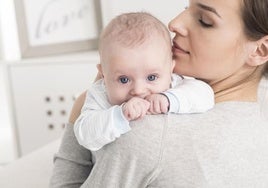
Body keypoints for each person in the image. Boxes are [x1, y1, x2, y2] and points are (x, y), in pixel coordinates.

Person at [50, 0, 268, 187]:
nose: (175, 23)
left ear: (260, 50)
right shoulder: (262, 99)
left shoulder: (146, 132)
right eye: (186, 6)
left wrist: (82, 107)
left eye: (205, 20)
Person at [74, 12, 214, 151]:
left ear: (171, 68)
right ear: (104, 75)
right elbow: (83, 134)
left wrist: (169, 99)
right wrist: (120, 114)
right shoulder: (100, 94)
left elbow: (206, 95)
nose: (139, 90)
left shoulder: (174, 84)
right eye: (124, 79)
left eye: (151, 77)